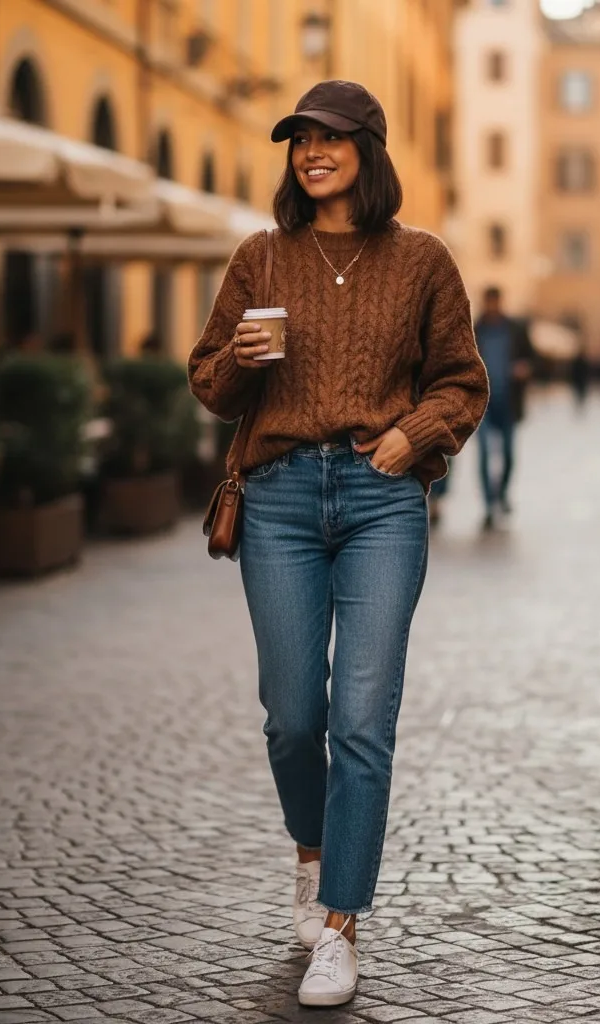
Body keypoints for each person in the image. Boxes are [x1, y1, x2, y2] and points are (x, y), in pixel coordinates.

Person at [188, 80, 488, 1007]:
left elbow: (463, 383)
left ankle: (339, 924)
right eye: (298, 139)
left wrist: (413, 436)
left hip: (379, 500)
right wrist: (239, 362)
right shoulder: (259, 257)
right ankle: (311, 855)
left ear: (368, 148)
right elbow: (205, 382)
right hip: (276, 500)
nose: (311, 150)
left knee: (361, 718)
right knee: (292, 715)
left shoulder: (423, 261)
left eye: (329, 136)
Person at [474, 287, 534, 530]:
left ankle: (502, 493)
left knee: (508, 455)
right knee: (485, 455)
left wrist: (524, 368)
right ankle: (489, 505)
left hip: (509, 403)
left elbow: (532, 358)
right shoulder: (474, 329)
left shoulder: (515, 329)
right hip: (481, 406)